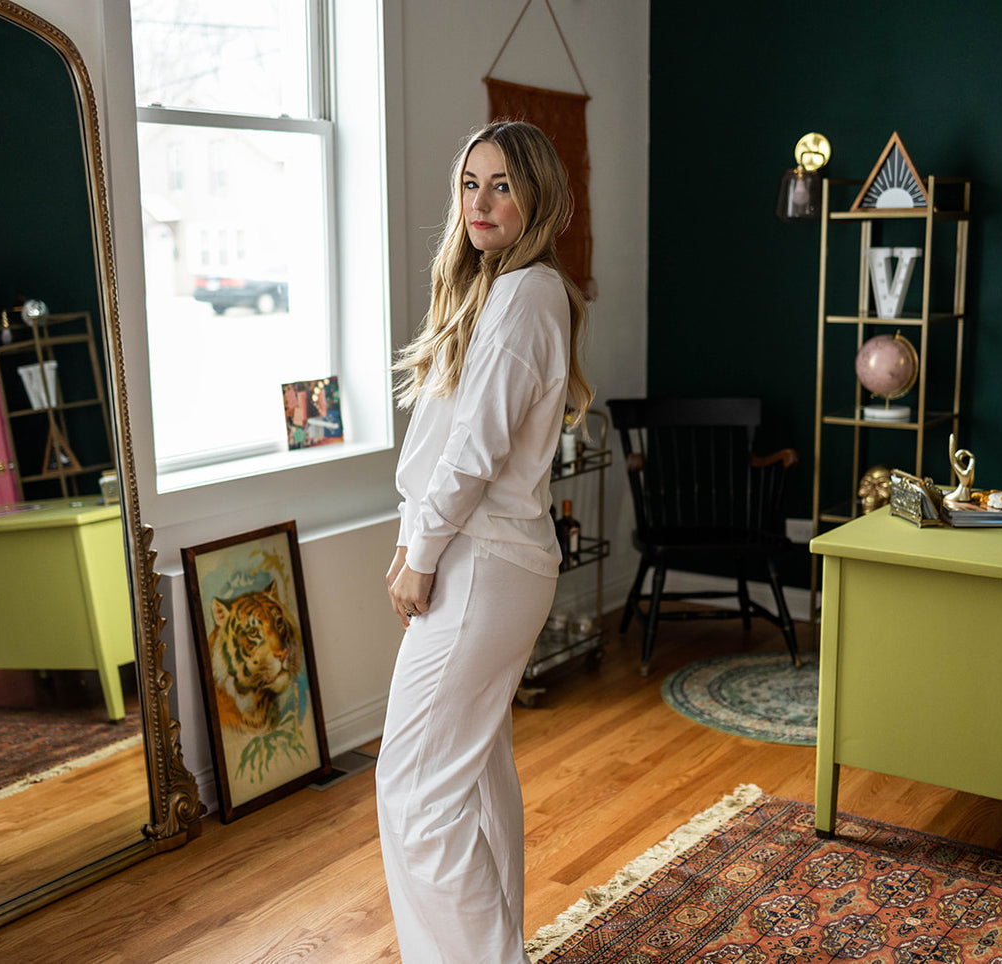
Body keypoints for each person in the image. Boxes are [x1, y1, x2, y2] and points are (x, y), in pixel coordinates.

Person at [377, 120, 591, 962]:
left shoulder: (526, 292)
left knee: (416, 790)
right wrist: (412, 545)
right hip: (485, 558)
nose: (481, 201)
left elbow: (474, 452)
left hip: (478, 559)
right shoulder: (501, 291)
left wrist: (422, 553)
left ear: (539, 197)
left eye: (502, 184)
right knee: (468, 773)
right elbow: (445, 445)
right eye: (471, 183)